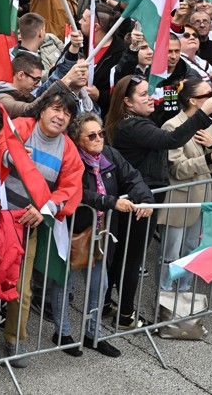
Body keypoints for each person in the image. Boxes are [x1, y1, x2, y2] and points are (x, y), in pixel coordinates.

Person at [105, 76, 212, 328]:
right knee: (131, 259)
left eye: (149, 92)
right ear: (127, 102)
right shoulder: (133, 125)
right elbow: (170, 140)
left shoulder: (138, 121)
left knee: (124, 256)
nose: (151, 97)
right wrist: (203, 113)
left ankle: (106, 304)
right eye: (143, 94)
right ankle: (125, 316)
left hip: (144, 198)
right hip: (140, 202)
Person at [0, 88, 84, 367]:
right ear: (43, 109)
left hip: (28, 225)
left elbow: (70, 188)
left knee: (22, 289)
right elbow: (2, 148)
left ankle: (16, 340)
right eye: (56, 109)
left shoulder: (68, 148)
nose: (61, 117)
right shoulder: (23, 126)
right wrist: (12, 156)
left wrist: (44, 210)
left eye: (67, 113)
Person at [49, 113, 152, 358]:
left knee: (100, 285)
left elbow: (132, 177)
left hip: (102, 233)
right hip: (74, 231)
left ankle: (93, 335)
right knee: (65, 284)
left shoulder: (110, 154)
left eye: (101, 133)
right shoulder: (70, 158)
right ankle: (62, 333)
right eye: (92, 135)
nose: (99, 139)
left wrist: (145, 198)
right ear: (77, 139)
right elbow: (77, 191)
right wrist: (110, 201)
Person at [160, 79, 212, 293]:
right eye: (208, 95)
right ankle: (165, 291)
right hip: (179, 199)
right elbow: (177, 169)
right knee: (171, 251)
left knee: (193, 249)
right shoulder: (172, 126)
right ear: (193, 101)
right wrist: (207, 159)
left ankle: (184, 289)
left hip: (202, 198)